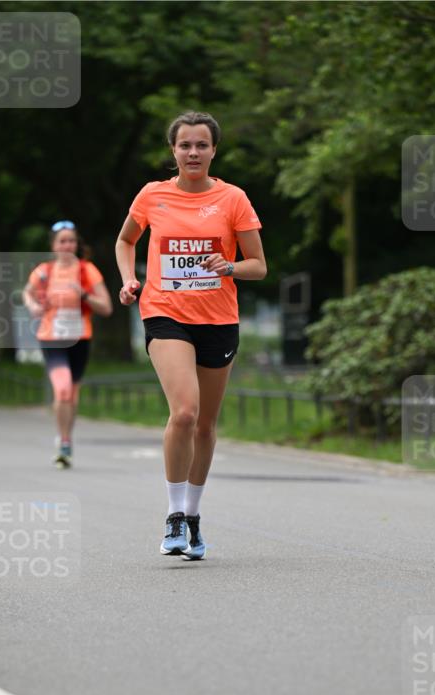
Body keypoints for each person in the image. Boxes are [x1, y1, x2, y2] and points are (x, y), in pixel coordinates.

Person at [115, 110, 266, 559]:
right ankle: (174, 516)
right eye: (185, 145)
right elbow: (126, 241)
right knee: (184, 412)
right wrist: (128, 279)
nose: (193, 152)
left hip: (218, 320)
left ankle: (194, 517)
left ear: (213, 150)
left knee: (204, 425)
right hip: (165, 314)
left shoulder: (233, 198)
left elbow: (259, 265)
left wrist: (230, 265)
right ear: (173, 151)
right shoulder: (152, 195)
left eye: (201, 145)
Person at [23, 222, 113, 467]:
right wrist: (33, 306)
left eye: (71, 241)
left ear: (77, 244)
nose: (67, 245)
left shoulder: (87, 271)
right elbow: (28, 293)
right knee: (62, 389)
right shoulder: (44, 271)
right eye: (62, 241)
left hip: (80, 338)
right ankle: (63, 442)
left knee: (71, 395)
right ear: (53, 246)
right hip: (51, 337)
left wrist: (83, 294)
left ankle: (66, 439)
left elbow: (106, 307)